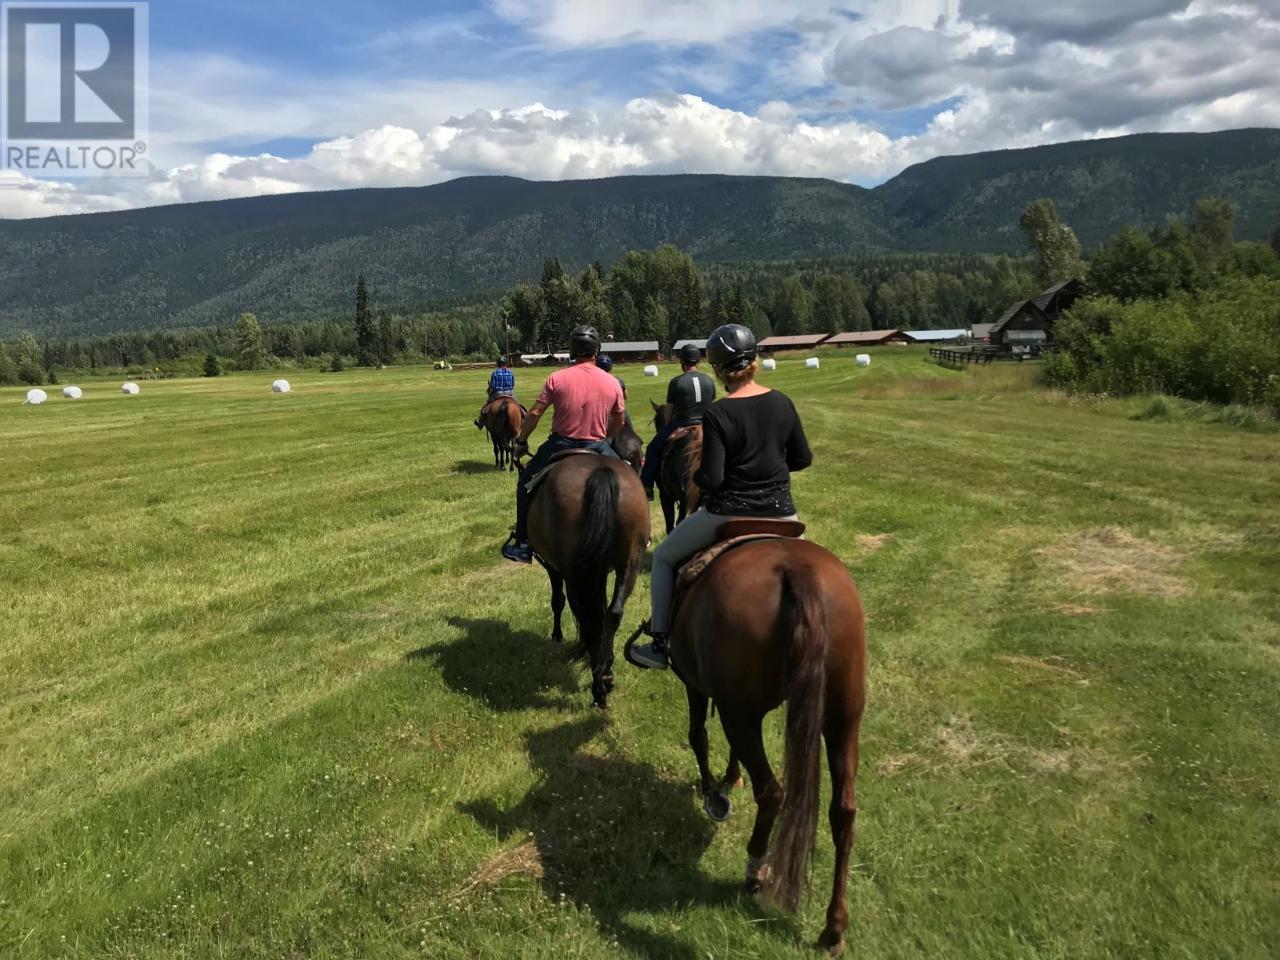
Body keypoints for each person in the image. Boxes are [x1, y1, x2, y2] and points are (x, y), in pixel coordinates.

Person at [628, 323, 812, 670]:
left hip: (730, 512)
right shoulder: (783, 402)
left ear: (718, 368)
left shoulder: (719, 413)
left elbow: (711, 479)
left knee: (665, 558)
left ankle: (659, 642)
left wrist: (703, 477)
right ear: (755, 360)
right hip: (784, 514)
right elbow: (803, 459)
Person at [501, 326, 626, 564]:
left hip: (560, 444)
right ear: (596, 350)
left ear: (571, 350)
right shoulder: (612, 382)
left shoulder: (556, 378)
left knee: (525, 485)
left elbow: (536, 413)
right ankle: (638, 535)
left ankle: (524, 544)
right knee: (630, 480)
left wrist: (521, 441)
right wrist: (603, 437)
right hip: (598, 445)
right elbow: (619, 420)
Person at [640, 343, 716, 500]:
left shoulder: (677, 382)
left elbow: (669, 409)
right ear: (698, 361)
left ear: (683, 362)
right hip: (706, 425)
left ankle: (647, 487)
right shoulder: (709, 381)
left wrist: (667, 426)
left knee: (652, 449)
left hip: (682, 423)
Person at [474, 356, 516, 429]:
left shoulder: (495, 373)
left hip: (498, 393)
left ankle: (481, 422)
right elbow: (512, 385)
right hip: (509, 394)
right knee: (519, 406)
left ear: (498, 364)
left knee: (485, 408)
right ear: (505, 364)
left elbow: (493, 386)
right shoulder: (510, 372)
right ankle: (525, 418)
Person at [597, 353, 633, 431]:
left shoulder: (592, 380)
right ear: (610, 367)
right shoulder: (618, 380)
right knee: (629, 429)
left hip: (598, 412)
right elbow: (625, 397)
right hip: (615, 412)